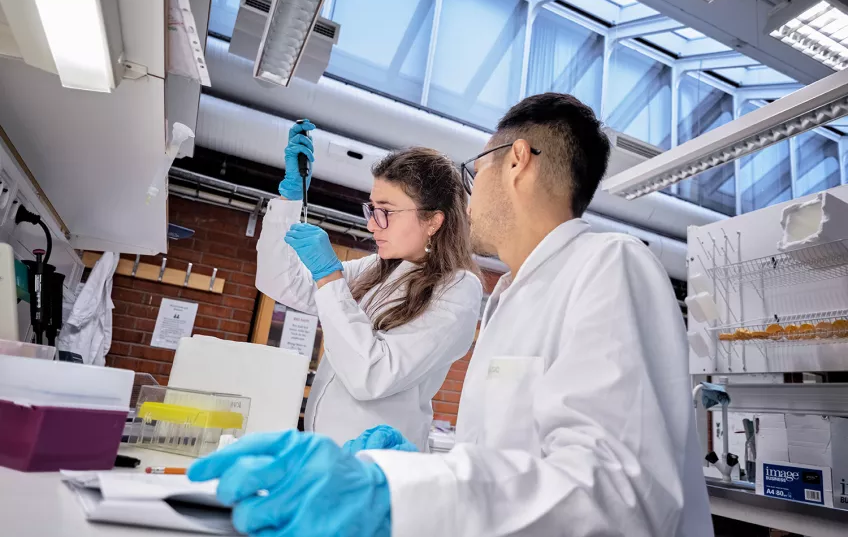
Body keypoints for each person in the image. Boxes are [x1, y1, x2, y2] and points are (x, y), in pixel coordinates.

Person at [188, 94, 713, 537]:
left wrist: (399, 492)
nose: (470, 192)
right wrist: (419, 468)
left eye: (475, 170)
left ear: (517, 160)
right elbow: (507, 462)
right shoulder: (513, 293)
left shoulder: (608, 265)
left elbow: (620, 498)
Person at [254, 122, 482, 452]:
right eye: (372, 209)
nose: (371, 224)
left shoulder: (458, 289)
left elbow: (372, 376)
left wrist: (329, 277)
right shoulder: (375, 269)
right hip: (327, 453)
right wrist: (289, 201)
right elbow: (281, 281)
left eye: (386, 212)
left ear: (434, 220)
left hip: (377, 466)